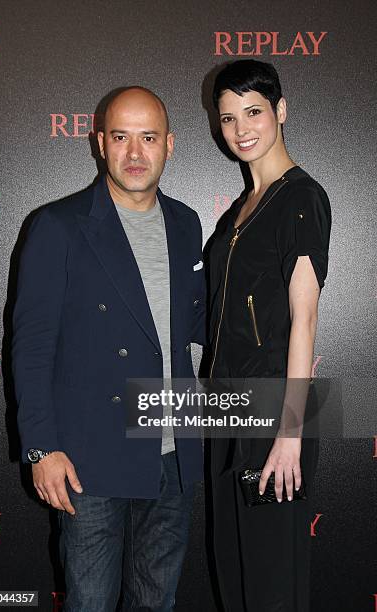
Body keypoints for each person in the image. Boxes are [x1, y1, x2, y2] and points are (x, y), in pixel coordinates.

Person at [11, 86, 205, 611]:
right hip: (89, 457)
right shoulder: (57, 226)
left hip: (174, 454)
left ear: (170, 144)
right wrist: (40, 448)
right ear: (100, 142)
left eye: (148, 138)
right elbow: (30, 349)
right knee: (90, 603)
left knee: (154, 602)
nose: (135, 153)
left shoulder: (187, 224)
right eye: (121, 137)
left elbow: (197, 328)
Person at [203, 60, 331, 611]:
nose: (241, 129)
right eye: (228, 117)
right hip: (227, 407)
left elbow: (304, 319)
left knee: (272, 577)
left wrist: (290, 432)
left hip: (273, 411)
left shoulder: (301, 197)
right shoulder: (238, 211)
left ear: (280, 111)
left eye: (253, 112)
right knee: (234, 573)